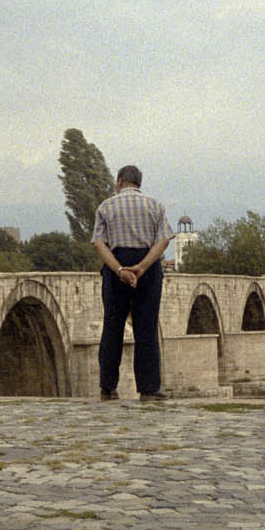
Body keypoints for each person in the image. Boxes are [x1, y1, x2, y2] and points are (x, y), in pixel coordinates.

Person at [91, 165, 175, 401]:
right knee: (146, 328)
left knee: (112, 327)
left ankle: (107, 386)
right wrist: (143, 267)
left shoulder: (105, 207)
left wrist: (119, 269)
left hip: (116, 265)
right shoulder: (155, 206)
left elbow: (99, 243)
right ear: (139, 183)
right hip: (146, 267)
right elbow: (163, 240)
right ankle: (149, 387)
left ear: (119, 181)